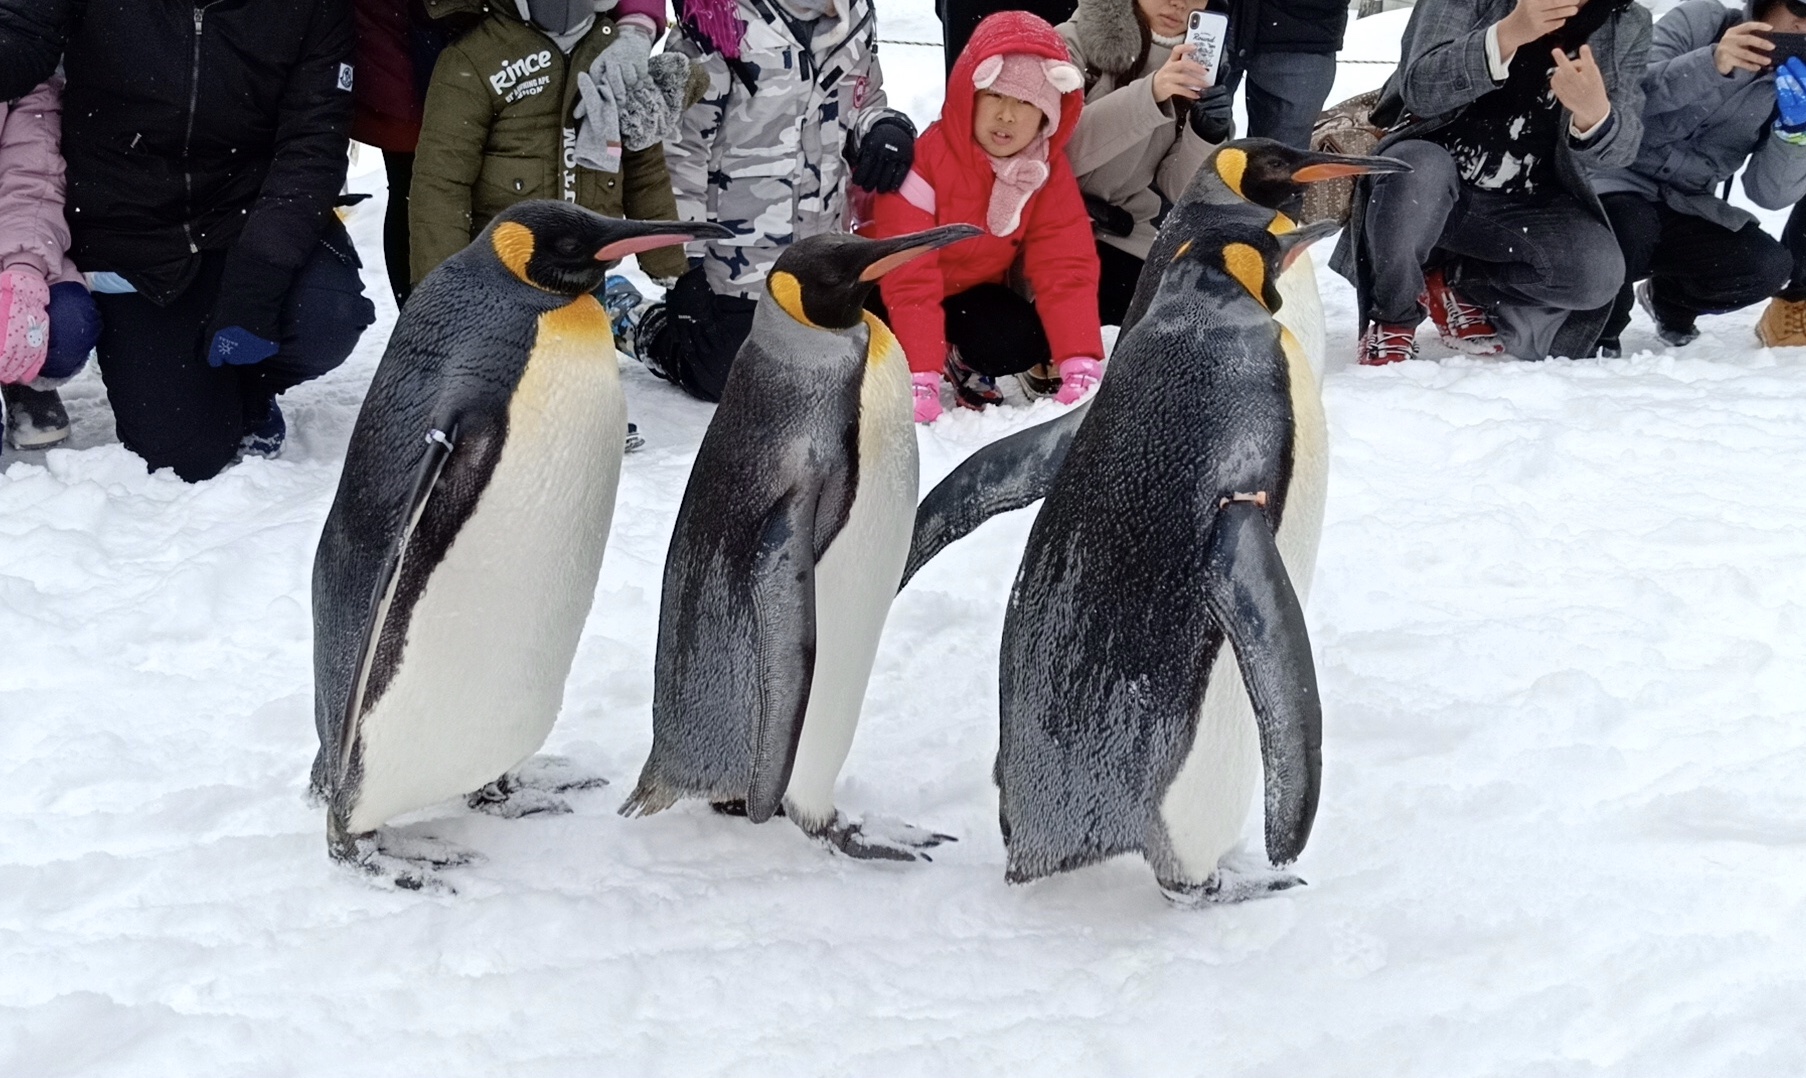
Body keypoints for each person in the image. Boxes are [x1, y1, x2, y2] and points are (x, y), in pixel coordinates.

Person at [0, 0, 377, 482]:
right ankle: (206, 390)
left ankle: (252, 389)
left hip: (248, 215)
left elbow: (312, 145)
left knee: (326, 316)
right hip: (131, 230)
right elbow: (21, 37)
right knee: (182, 456)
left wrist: (257, 284)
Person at [1331, 0, 1651, 365]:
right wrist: (1506, 34)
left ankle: (1451, 280)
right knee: (1418, 172)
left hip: (1521, 205)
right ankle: (1392, 316)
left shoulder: (1627, 21)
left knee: (1598, 275)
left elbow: (1621, 152)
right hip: (1429, 181)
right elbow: (1418, 86)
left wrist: (1596, 114)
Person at [632, 0, 915, 402]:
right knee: (730, 373)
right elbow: (680, 152)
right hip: (736, 262)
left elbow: (863, 101)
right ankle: (641, 323)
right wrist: (683, 270)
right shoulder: (719, 20)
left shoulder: (852, 17)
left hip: (820, 252)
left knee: (855, 355)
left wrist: (884, 127)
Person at [867, 11, 1103, 423]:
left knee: (1020, 338)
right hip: (886, 288)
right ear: (968, 95)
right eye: (995, 95)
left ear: (1048, 114)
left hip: (968, 291)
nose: (1007, 116)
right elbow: (909, 271)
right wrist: (918, 370)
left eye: (1026, 102)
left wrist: (1078, 358)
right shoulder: (925, 161)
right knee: (870, 334)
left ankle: (961, 359)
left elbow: (1066, 263)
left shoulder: (1042, 169)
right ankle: (911, 360)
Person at [408, 0, 691, 289]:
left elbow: (645, 172)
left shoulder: (614, 54)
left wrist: (671, 268)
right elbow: (442, 183)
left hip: (586, 272)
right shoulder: (476, 58)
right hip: (502, 277)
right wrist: (442, 290)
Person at [1585, 0, 1806, 353]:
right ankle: (1598, 327)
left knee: (1766, 266)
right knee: (1631, 225)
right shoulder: (1703, 22)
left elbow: (1768, 195)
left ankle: (1670, 301)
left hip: (1687, 202)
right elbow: (1624, 95)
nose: (1802, 26)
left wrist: (1795, 134)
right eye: (1801, 7)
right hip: (1615, 178)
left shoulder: (1795, 82)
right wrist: (1712, 63)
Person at [1057, 0, 1230, 326]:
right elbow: (1058, 152)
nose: (1178, 3)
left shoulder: (1197, 68)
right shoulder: (1071, 42)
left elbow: (1180, 189)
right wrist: (1150, 93)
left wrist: (1207, 134)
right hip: (1045, 223)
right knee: (1013, 337)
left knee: (1181, 314)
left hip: (1119, 229)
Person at [0, 75, 100, 450]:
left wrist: (22, 266)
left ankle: (22, 381)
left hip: (10, 243)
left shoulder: (19, 74)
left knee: (66, 324)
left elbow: (30, 181)